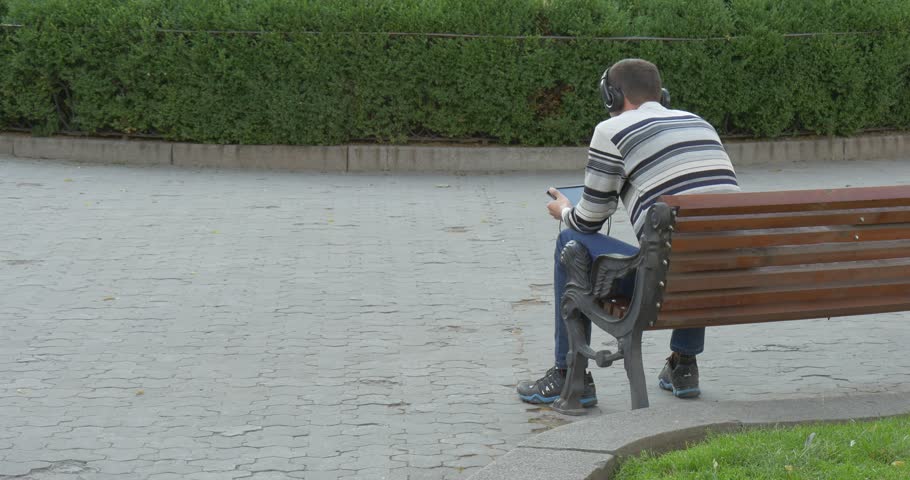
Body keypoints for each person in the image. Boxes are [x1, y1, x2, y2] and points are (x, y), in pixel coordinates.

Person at [517, 58, 740, 406]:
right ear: (660, 95)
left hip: (662, 286)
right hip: (723, 279)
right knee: (696, 243)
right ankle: (683, 365)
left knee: (569, 241)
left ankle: (567, 375)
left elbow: (589, 221)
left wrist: (564, 211)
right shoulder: (700, 123)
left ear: (612, 96)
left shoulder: (612, 131)